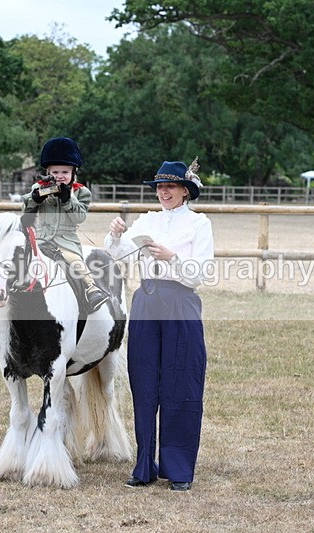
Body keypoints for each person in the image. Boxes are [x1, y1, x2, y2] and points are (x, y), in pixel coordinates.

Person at [104, 159, 214, 492]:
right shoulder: (148, 221)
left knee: (181, 383)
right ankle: (144, 466)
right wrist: (115, 235)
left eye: (169, 187)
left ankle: (178, 469)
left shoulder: (198, 224)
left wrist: (173, 259)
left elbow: (204, 273)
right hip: (147, 301)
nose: (163, 192)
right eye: (159, 187)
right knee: (145, 381)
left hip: (180, 301)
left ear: (185, 190)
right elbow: (119, 256)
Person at [21, 137, 109, 313]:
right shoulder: (38, 187)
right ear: (47, 171)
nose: (60, 176)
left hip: (66, 241)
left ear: (73, 173)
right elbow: (25, 211)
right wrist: (35, 198)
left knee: (76, 262)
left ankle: (91, 289)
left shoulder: (82, 192)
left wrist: (68, 199)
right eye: (55, 172)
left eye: (65, 172)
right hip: (40, 239)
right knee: (18, 258)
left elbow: (79, 217)